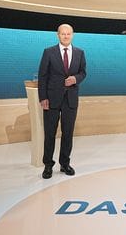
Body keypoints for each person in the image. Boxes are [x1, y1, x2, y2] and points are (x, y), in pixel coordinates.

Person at [38, 24, 87, 179]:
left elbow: (83, 72)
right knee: (50, 134)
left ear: (72, 35)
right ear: (57, 35)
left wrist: (76, 79)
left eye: (69, 34)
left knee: (68, 134)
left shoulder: (80, 53)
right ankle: (47, 165)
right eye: (63, 34)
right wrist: (43, 97)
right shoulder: (48, 52)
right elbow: (43, 76)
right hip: (51, 99)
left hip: (70, 99)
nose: (66, 36)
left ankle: (64, 163)